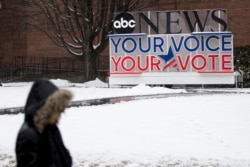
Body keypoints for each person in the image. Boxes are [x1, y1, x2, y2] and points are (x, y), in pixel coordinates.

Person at [15, 78, 73, 167]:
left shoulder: (51, 129)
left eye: (61, 112)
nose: (58, 117)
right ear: (46, 109)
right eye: (56, 111)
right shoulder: (29, 135)